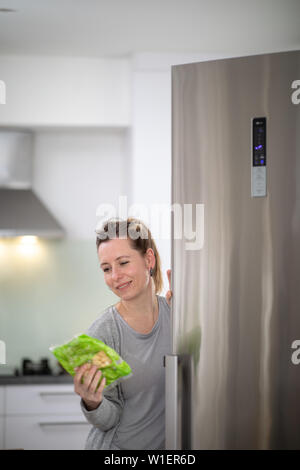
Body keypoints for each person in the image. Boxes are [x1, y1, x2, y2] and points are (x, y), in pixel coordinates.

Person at [74, 217, 172, 450]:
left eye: (123, 263)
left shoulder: (176, 312)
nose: (114, 276)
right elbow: (109, 419)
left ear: (149, 259)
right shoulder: (103, 333)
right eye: (106, 268)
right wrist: (93, 402)